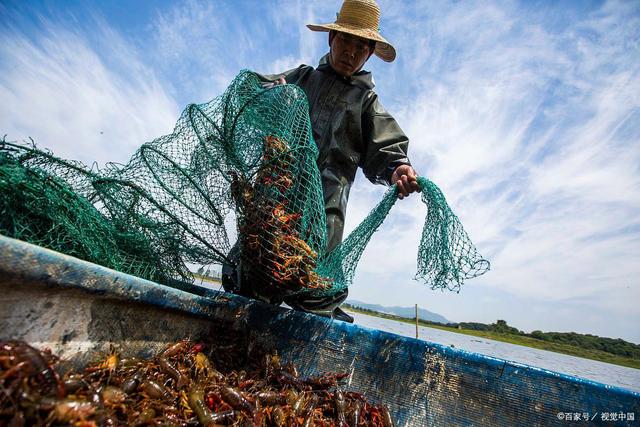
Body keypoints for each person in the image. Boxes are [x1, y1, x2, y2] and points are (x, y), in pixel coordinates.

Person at [223, 0, 420, 322]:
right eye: (345, 41)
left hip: (326, 211)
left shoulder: (366, 102)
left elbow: (388, 150)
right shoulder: (301, 78)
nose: (351, 52)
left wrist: (397, 168)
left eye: (361, 47)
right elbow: (252, 91)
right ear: (331, 40)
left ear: (370, 53)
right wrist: (271, 94)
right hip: (275, 196)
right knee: (254, 268)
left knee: (313, 284)